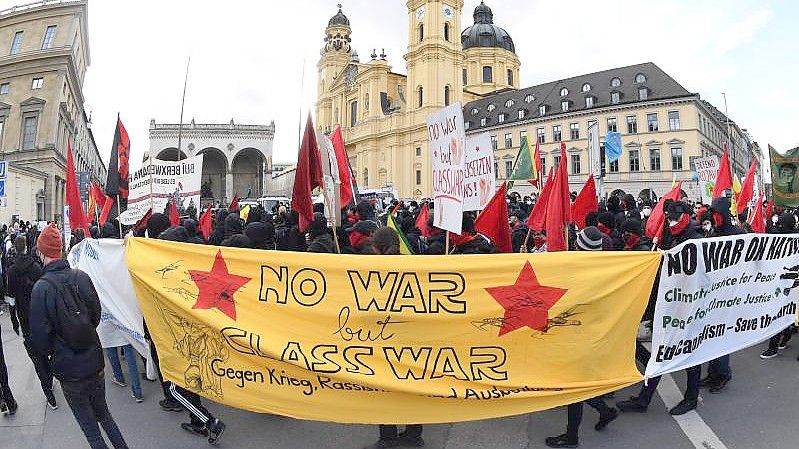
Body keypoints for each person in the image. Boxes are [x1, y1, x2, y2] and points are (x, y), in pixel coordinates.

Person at [29, 224, 129, 449]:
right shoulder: (81, 277)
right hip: (94, 363)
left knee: (91, 432)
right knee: (105, 416)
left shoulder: (41, 289)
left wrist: (56, 349)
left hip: (69, 371)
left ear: (43, 252)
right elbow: (96, 316)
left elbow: (40, 340)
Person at [617, 200, 704, 416]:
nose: (672, 222)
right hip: (669, 306)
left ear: (685, 217)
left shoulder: (695, 240)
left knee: (688, 355)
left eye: (675, 218)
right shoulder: (674, 235)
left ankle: (691, 398)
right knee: (660, 353)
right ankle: (644, 399)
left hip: (687, 308)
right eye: (669, 218)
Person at [546, 226, 618, 448]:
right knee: (577, 384)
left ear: (578, 246)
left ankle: (572, 436)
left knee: (574, 387)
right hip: (593, 333)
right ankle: (604, 410)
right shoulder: (603, 270)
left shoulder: (577, 272)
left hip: (577, 336)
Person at [158, 226, 226, 445]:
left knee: (176, 386)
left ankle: (209, 421)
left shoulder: (181, 276)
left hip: (188, 338)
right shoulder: (196, 266)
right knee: (190, 379)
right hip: (196, 338)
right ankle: (198, 421)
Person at [363, 227, 425, 449]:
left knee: (384, 390)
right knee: (411, 388)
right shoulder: (414, 268)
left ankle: (388, 437)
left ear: (377, 248)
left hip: (385, 339)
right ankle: (414, 434)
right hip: (412, 339)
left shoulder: (373, 272)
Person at [6, 235, 54, 408]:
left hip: (24, 317)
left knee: (35, 355)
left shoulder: (11, 270)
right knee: (44, 349)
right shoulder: (35, 267)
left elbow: (10, 297)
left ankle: (47, 389)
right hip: (39, 315)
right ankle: (49, 376)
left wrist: (14, 320)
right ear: (26, 247)